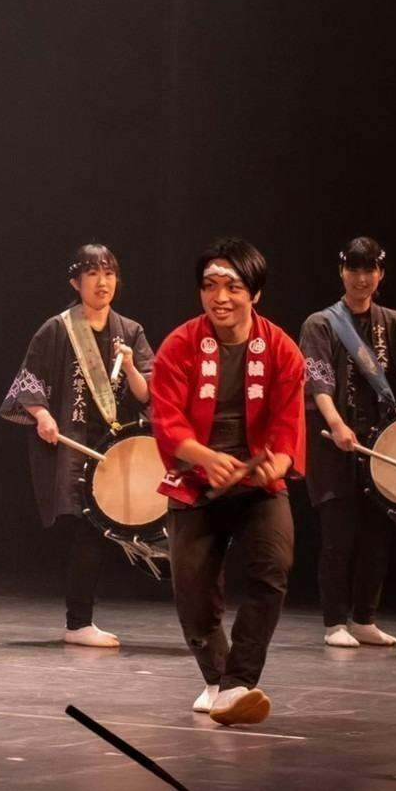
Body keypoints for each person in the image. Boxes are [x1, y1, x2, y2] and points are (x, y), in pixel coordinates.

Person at [148, 238, 304, 725]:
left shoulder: (280, 349)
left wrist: (277, 462)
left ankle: (239, 683)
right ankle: (218, 680)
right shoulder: (180, 345)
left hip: (257, 486)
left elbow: (286, 425)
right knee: (193, 594)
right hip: (197, 481)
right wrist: (201, 455)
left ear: (254, 293)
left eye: (233, 286)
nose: (221, 297)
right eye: (210, 285)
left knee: (273, 567)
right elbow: (167, 418)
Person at [0, 244, 153, 647]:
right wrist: (42, 415)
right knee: (86, 530)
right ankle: (79, 623)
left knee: (107, 534)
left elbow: (148, 392)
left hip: (115, 449)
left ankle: (80, 620)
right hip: (72, 446)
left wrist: (133, 366)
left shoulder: (130, 331)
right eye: (92, 274)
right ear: (76, 282)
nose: (102, 282)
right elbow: (30, 383)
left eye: (109, 273)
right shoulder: (57, 329)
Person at [300, 237, 396, 648]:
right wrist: (338, 425)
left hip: (382, 444)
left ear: (380, 274)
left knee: (377, 536)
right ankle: (334, 623)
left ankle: (364, 619)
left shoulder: (394, 322)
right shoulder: (320, 323)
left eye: (370, 270)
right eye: (354, 270)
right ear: (341, 272)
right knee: (339, 537)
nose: (362, 278)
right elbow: (317, 381)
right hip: (334, 440)